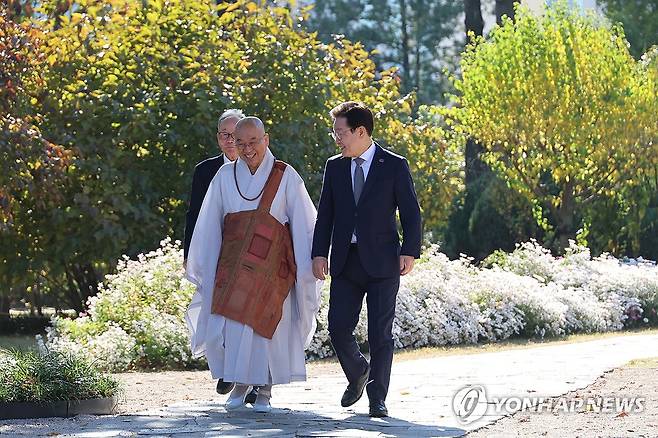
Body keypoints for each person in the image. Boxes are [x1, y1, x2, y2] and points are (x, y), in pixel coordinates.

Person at [185, 116, 321, 413]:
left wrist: (308, 263)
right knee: (233, 327)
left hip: (273, 270)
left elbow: (304, 224)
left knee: (267, 327)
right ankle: (239, 383)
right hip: (233, 269)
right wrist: (206, 264)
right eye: (241, 142)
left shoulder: (286, 175)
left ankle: (266, 390)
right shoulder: (223, 176)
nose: (247, 149)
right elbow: (209, 224)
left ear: (266, 140)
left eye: (253, 142)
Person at [311, 101, 422, 418]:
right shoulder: (335, 167)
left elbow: (411, 213)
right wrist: (320, 253)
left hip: (383, 263)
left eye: (341, 133)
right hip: (345, 261)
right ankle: (359, 371)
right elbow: (326, 216)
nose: (338, 140)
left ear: (361, 132)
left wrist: (410, 250)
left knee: (379, 334)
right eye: (335, 134)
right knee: (337, 327)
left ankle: (377, 398)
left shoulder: (394, 165)